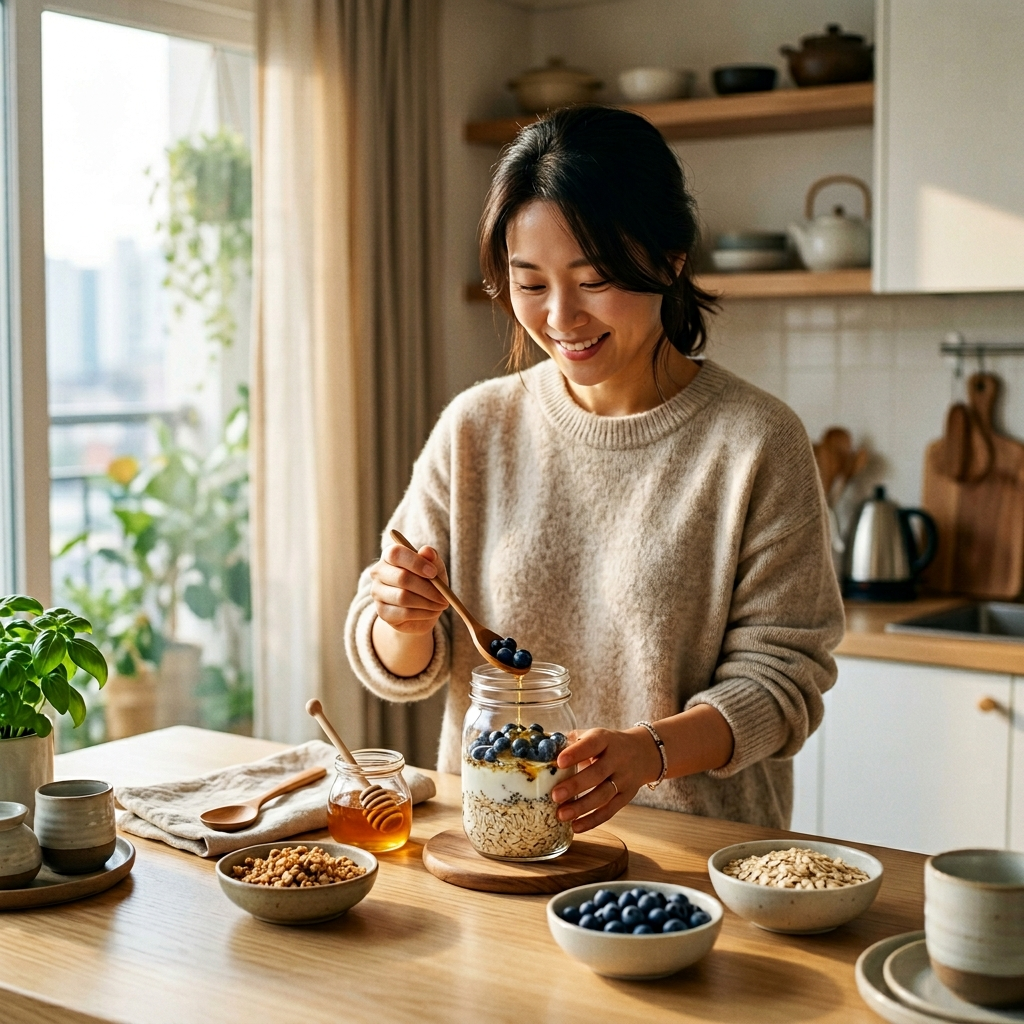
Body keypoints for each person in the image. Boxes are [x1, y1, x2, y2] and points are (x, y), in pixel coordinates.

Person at [345, 105, 844, 833]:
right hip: (497, 842)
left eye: (593, 278)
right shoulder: (476, 427)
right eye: (531, 283)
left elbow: (785, 682)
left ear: (671, 259)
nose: (561, 317)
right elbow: (394, 656)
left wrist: (649, 753)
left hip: (690, 857)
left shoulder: (757, 441)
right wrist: (402, 616)